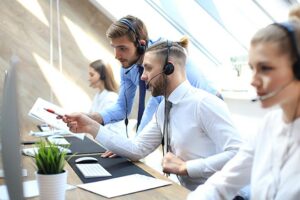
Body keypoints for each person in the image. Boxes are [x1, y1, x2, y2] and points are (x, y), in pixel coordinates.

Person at [63, 38, 242, 191]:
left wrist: (186, 167)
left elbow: (238, 153)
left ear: (169, 69)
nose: (143, 76)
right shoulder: (164, 108)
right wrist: (91, 127)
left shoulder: (204, 103)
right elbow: (137, 149)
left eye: (148, 69)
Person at [188, 17, 300, 199]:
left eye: (265, 68)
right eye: (252, 68)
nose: (253, 81)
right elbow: (223, 182)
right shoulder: (268, 126)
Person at [88, 15, 222, 134]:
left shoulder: (161, 56)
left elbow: (155, 103)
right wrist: (94, 118)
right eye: (114, 48)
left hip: (209, 105)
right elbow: (123, 107)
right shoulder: (127, 67)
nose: (116, 56)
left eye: (122, 48)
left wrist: (135, 144)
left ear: (141, 44)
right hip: (183, 108)